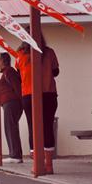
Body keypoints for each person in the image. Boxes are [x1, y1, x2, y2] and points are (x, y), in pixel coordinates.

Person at [16, 35, 59, 174]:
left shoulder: (20, 54)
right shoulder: (49, 52)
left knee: (33, 127)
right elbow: (56, 71)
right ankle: (49, 165)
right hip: (48, 93)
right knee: (48, 127)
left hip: (29, 94)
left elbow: (18, 74)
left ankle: (37, 165)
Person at [0, 53, 23, 163]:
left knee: (10, 128)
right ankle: (14, 154)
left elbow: (17, 87)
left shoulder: (9, 71)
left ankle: (15, 155)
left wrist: (20, 103)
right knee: (10, 128)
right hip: (8, 103)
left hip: (12, 103)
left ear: (3, 60)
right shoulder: (5, 72)